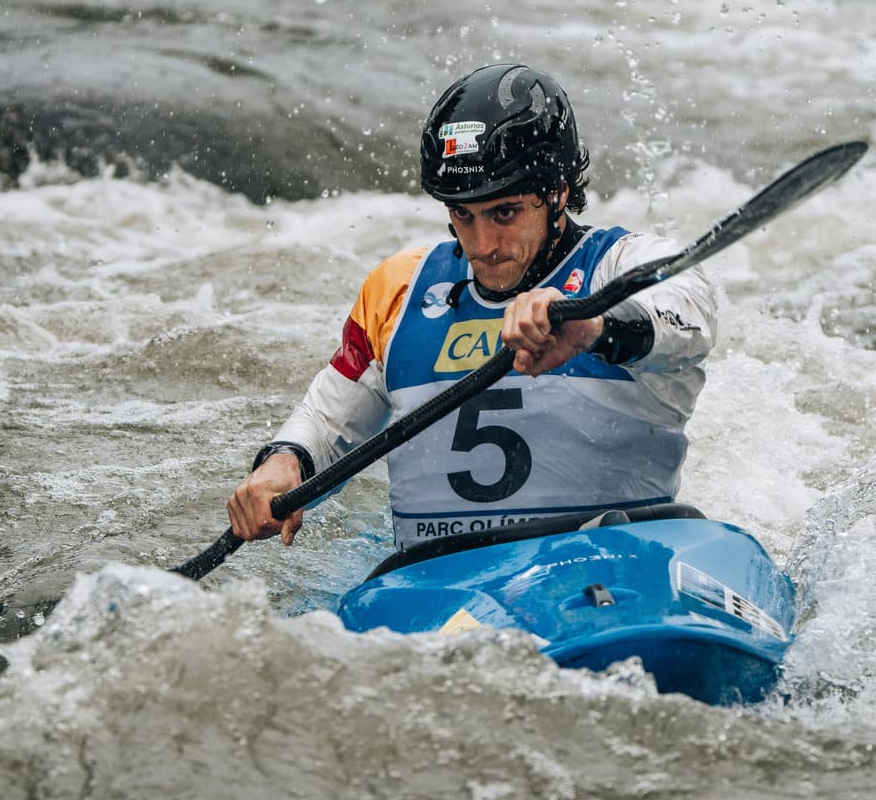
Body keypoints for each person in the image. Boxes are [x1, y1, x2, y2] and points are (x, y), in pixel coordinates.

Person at [227, 63, 716, 549]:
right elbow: (329, 423)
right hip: (438, 590)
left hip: (605, 574)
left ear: (559, 191)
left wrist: (589, 327)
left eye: (504, 213)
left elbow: (687, 322)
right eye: (463, 215)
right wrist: (283, 463)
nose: (482, 244)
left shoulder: (623, 265)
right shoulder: (400, 287)